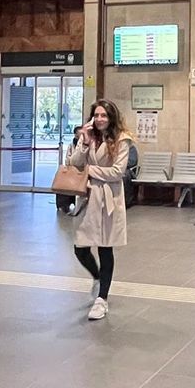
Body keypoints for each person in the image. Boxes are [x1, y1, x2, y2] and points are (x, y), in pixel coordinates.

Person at [69, 99, 135, 321]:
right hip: (88, 198)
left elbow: (117, 172)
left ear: (111, 117)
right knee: (80, 246)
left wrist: (90, 170)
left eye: (103, 116)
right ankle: (98, 278)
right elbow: (74, 163)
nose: (99, 120)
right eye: (96, 115)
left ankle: (102, 299)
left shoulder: (122, 140)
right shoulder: (88, 137)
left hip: (108, 198)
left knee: (106, 248)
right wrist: (84, 142)